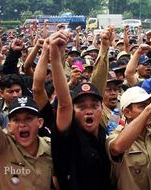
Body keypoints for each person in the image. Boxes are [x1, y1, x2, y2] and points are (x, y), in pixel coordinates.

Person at [0, 46, 53, 190]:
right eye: (16, 120)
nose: (22, 124)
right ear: (9, 125)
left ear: (40, 122)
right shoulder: (4, 146)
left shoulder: (50, 148)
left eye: (28, 118)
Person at [49, 30, 111, 190]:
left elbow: (99, 85)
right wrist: (55, 57)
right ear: (73, 112)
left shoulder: (106, 134)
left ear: (101, 109)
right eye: (81, 107)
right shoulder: (68, 135)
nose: (89, 111)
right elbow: (64, 103)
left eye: (94, 106)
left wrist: (104, 48)